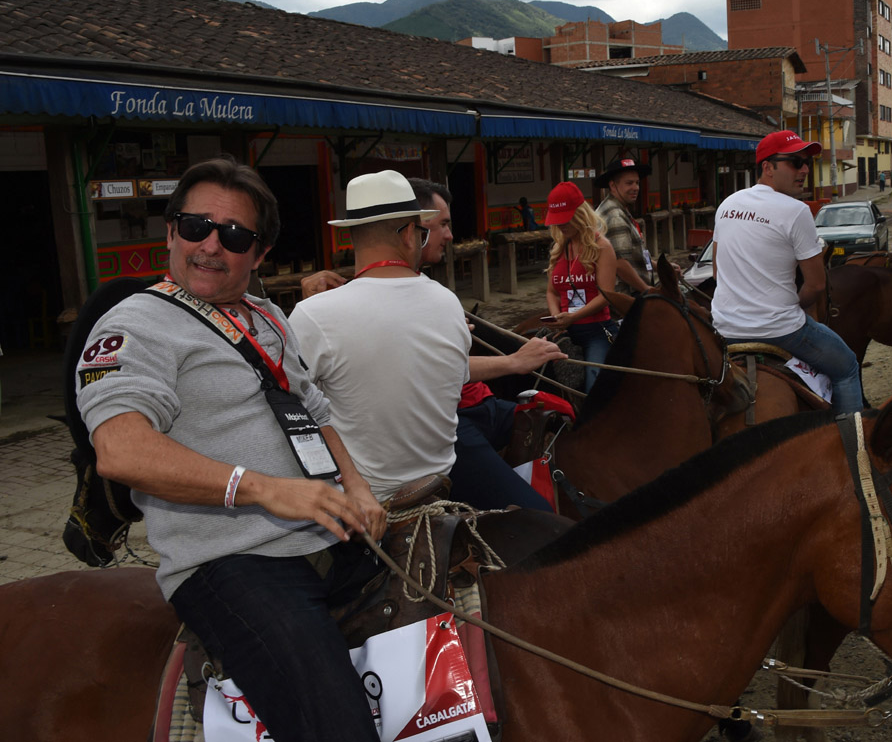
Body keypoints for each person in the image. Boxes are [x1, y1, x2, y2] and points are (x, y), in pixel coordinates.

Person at [76, 157, 387, 742]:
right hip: (233, 562)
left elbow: (315, 413)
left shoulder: (267, 315)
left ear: (260, 253)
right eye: (196, 227)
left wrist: (360, 488)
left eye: (235, 235)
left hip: (327, 533)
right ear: (171, 232)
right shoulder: (135, 325)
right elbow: (120, 448)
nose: (211, 246)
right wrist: (266, 488)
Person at [290, 173, 562, 510]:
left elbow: (292, 406)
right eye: (422, 231)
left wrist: (303, 311)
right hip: (440, 479)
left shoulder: (312, 314)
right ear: (408, 234)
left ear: (351, 234)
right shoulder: (446, 301)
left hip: (364, 497)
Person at [710, 130, 862, 414]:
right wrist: (796, 305)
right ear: (767, 167)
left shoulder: (727, 205)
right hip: (780, 330)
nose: (804, 169)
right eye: (795, 162)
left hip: (725, 329)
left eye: (807, 163)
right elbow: (816, 285)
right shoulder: (796, 210)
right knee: (847, 367)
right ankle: (852, 446)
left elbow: (718, 273)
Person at [545, 181, 619, 392]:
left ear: (580, 214)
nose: (560, 225)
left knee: (592, 385)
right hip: (565, 329)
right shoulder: (559, 248)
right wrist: (556, 318)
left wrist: (573, 317)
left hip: (596, 330)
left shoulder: (602, 247)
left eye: (564, 219)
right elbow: (551, 292)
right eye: (556, 221)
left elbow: (606, 295)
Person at [595, 157, 653, 295]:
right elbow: (620, 264)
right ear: (613, 186)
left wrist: (660, 267)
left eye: (637, 183)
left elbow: (634, 256)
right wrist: (648, 290)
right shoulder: (615, 216)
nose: (636, 188)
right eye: (629, 183)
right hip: (626, 297)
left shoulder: (617, 208)